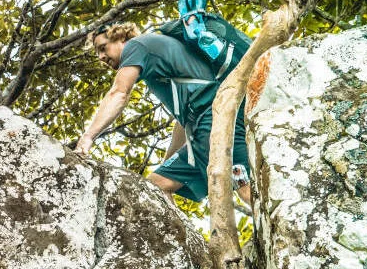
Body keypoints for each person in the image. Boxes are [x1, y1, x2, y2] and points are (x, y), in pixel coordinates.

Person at [75, 22, 251, 205]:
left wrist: (88, 137)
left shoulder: (136, 46)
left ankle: (280, 227)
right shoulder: (152, 56)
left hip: (217, 119)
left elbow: (119, 93)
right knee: (156, 186)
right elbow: (183, 123)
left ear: (120, 37)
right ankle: (182, 235)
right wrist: (168, 163)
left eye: (103, 48)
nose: (101, 57)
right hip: (201, 127)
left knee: (245, 190)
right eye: (98, 54)